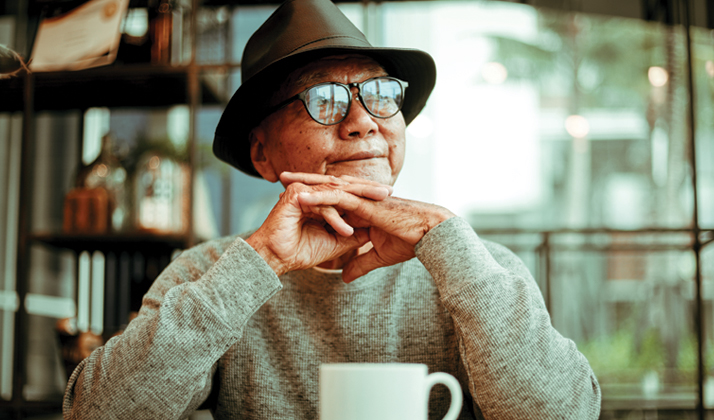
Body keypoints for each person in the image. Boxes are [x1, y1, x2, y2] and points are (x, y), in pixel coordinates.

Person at [63, 0, 601, 418]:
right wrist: (262, 261)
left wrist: (443, 235)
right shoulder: (208, 276)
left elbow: (566, 413)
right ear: (262, 152)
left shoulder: (477, 268)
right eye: (325, 101)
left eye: (381, 94)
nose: (365, 121)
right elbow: (95, 413)